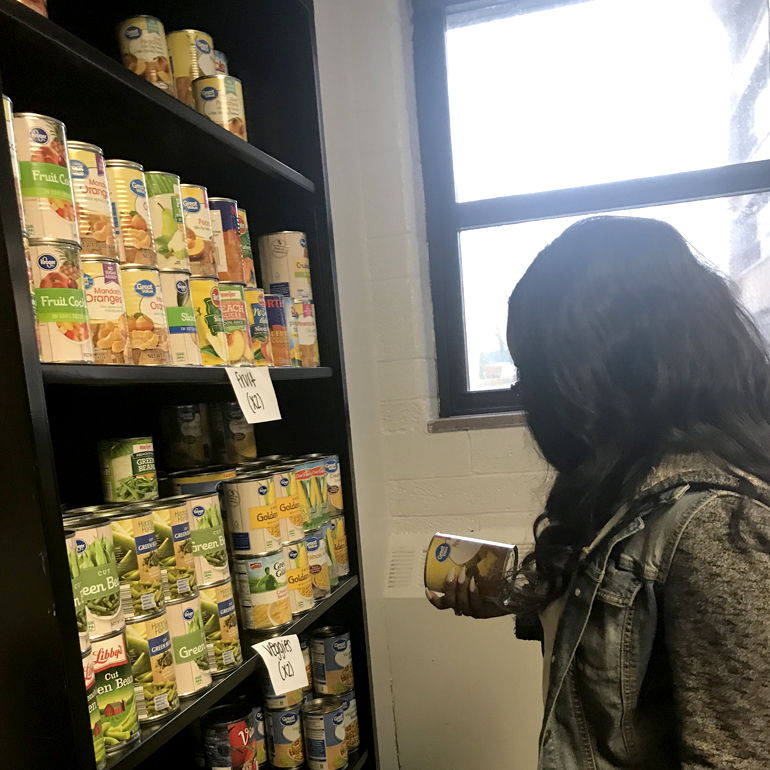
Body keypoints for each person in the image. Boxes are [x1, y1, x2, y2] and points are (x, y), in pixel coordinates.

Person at [427, 216, 770, 769]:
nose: (527, 400)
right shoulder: (632, 485)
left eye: (533, 376)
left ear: (608, 374)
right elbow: (626, 641)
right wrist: (518, 600)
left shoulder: (715, 525)